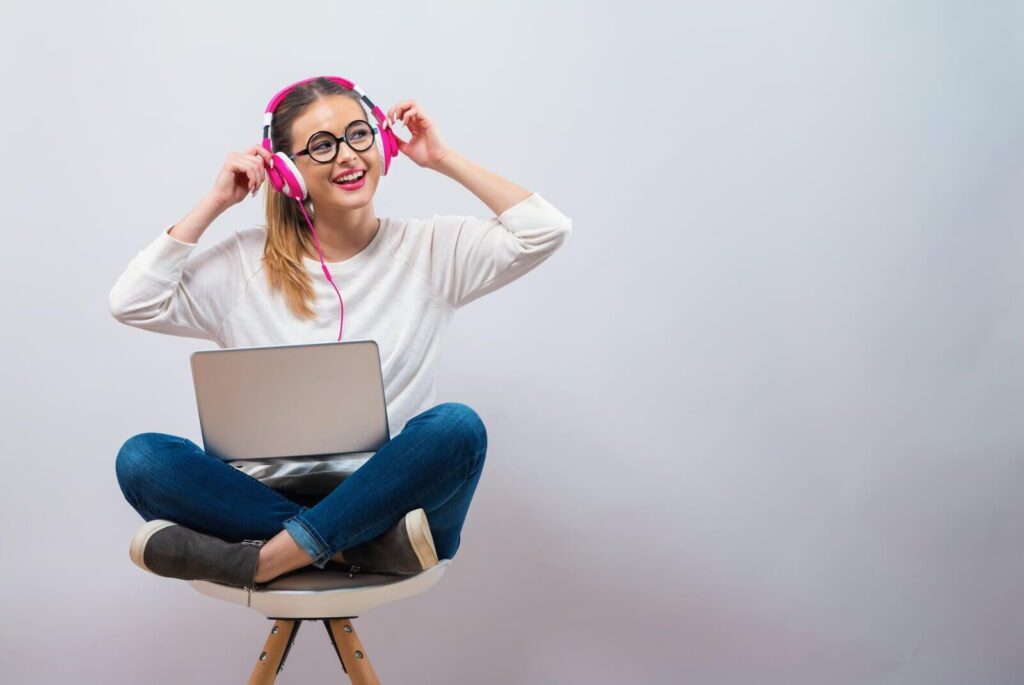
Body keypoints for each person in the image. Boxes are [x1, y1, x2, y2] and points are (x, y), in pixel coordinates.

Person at [110, 77, 573, 593]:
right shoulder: (246, 262)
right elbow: (131, 301)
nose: (348, 156)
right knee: (142, 458)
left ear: (382, 142)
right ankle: (351, 548)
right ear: (286, 171)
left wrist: (440, 156)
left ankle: (264, 561)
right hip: (333, 518)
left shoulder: (432, 249)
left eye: (359, 135)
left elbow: (545, 230)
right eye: (323, 146)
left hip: (395, 502)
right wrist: (216, 201)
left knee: (456, 429)